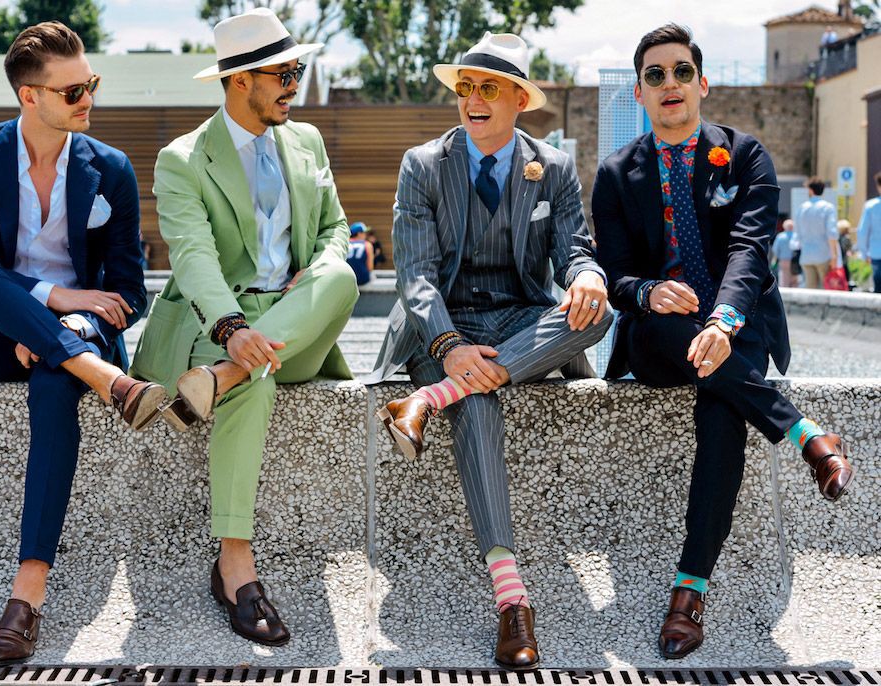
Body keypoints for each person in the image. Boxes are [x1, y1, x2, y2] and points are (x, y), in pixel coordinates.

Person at [592, 23, 854, 660]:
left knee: (721, 407)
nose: (670, 83)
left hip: (736, 327)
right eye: (655, 75)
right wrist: (648, 290)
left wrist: (723, 321)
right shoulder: (616, 174)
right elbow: (614, 274)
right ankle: (804, 434)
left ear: (702, 84)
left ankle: (689, 591)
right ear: (639, 93)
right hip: (657, 335)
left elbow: (749, 251)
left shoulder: (745, 156)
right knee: (675, 332)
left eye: (681, 71)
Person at [366, 32, 612, 670]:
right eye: (466, 87)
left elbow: (574, 251)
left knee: (599, 312)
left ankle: (428, 401)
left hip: (519, 319)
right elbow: (416, 277)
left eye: (489, 89)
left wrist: (587, 276)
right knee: (476, 405)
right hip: (442, 323)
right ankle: (512, 601)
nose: (473, 99)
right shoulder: (422, 164)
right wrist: (449, 346)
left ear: (519, 100)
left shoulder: (553, 167)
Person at [0, 21, 164, 665]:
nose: (89, 99)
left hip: (72, 344)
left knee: (59, 379)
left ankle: (26, 596)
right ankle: (102, 376)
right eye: (73, 90)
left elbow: (128, 292)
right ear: (30, 96)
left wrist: (73, 331)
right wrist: (51, 301)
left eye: (92, 83)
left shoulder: (110, 168)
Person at [129, 8, 358, 647]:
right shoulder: (182, 159)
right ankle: (236, 565)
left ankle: (222, 378)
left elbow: (337, 228)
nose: (294, 86)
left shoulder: (307, 141)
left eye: (297, 71)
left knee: (341, 276)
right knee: (256, 382)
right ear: (239, 81)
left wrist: (315, 268)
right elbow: (194, 257)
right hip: (218, 322)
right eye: (283, 75)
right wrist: (231, 329)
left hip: (295, 322)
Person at [793, 177, 839, 289]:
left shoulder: (801, 208)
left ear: (810, 190)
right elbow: (831, 232)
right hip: (823, 254)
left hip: (806, 255)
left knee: (810, 291)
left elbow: (797, 233)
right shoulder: (828, 208)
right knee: (826, 289)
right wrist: (834, 256)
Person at [856, 171, 881, 293]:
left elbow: (862, 231)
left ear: (878, 186)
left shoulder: (870, 206)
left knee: (878, 289)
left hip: (877, 253)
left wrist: (864, 253)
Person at [770, 219, 796, 288]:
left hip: (783, 260)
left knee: (784, 279)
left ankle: (785, 293)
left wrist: (776, 258)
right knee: (794, 279)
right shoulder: (796, 236)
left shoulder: (780, 236)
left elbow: (775, 249)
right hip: (794, 261)